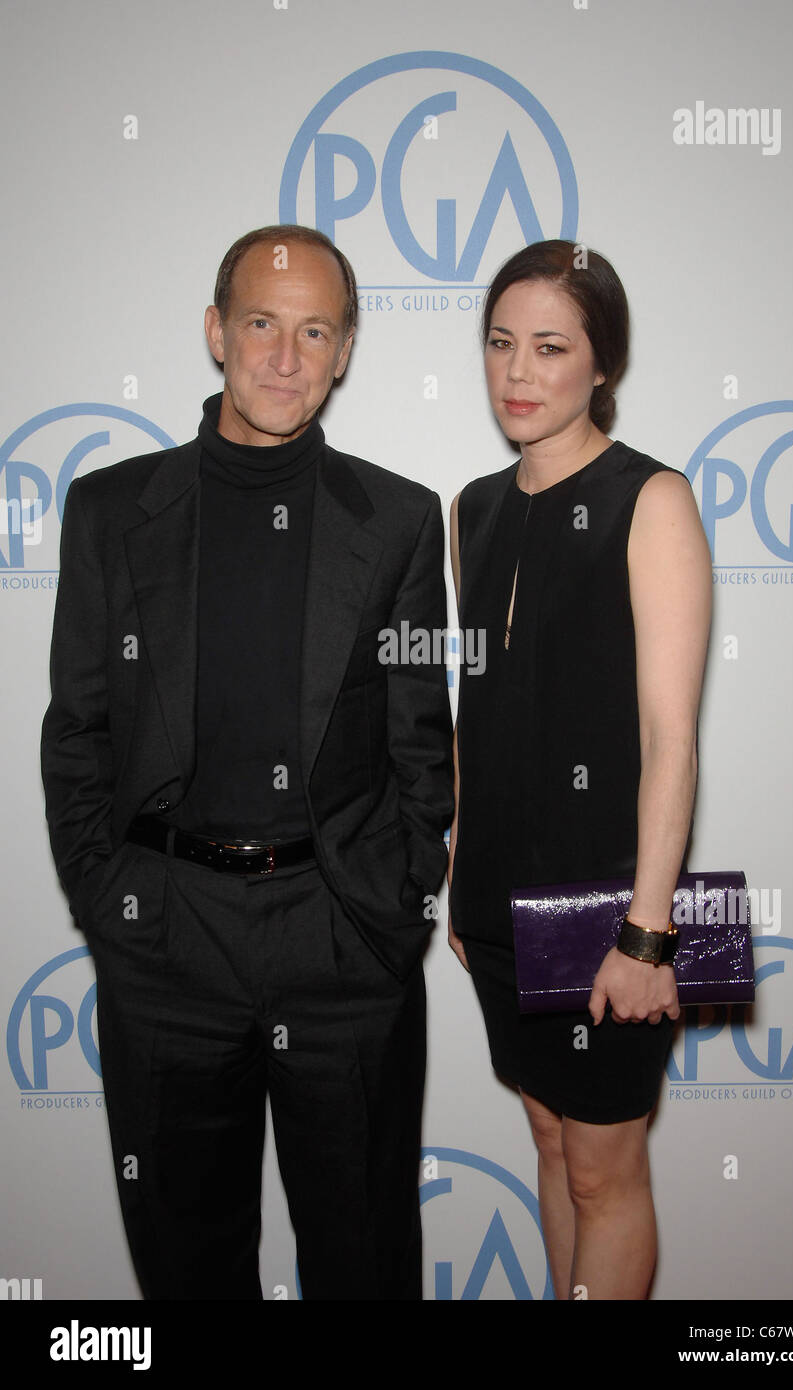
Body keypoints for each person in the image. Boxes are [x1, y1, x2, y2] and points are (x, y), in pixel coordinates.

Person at [41, 224, 453, 1300]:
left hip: (339, 942)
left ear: (346, 347)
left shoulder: (400, 520)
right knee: (188, 1264)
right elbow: (78, 728)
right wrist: (109, 898)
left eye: (314, 330)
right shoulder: (109, 510)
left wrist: (392, 901)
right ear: (215, 330)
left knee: (363, 1262)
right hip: (166, 939)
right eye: (262, 324)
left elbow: (420, 732)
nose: (284, 356)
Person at [448, 240, 712, 1300]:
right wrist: (464, 879)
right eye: (500, 343)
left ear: (600, 364)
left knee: (603, 1168)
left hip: (608, 910)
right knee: (551, 1143)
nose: (517, 372)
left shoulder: (650, 499)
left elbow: (670, 739)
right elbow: (480, 710)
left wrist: (646, 935)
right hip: (498, 896)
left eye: (549, 347)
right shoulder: (472, 506)